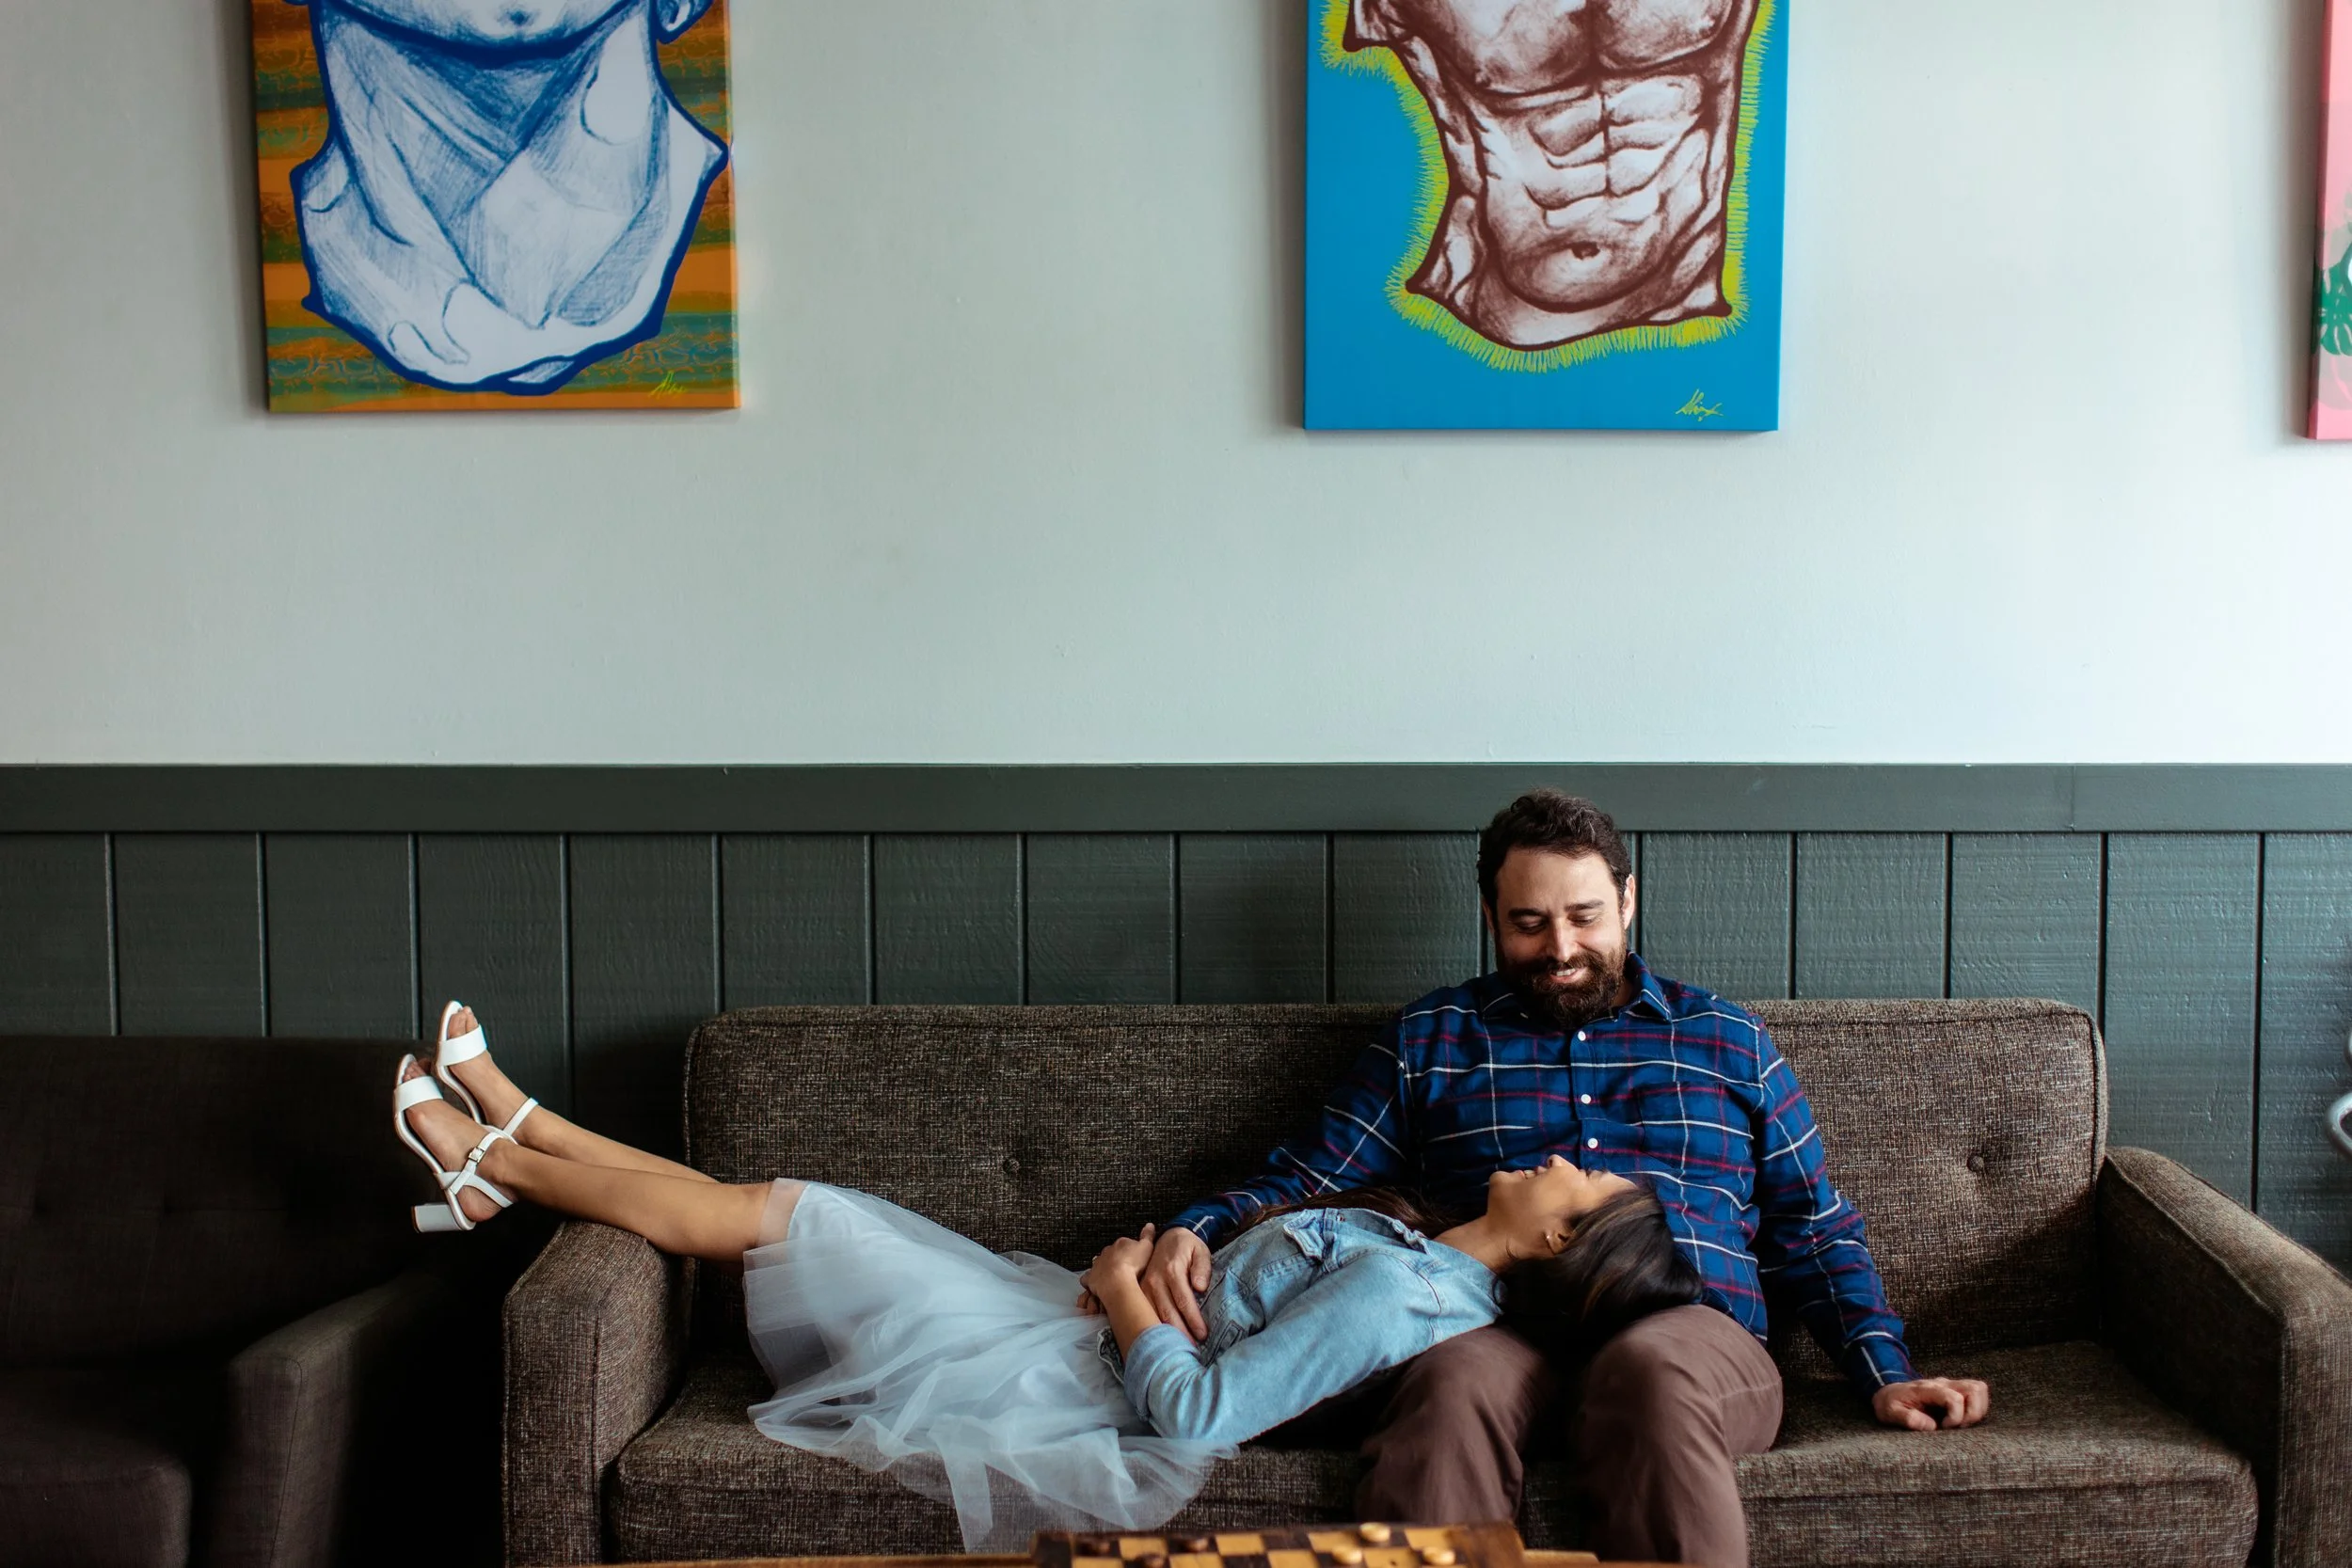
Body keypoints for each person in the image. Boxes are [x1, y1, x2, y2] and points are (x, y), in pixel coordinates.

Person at [391, 1003, 1702, 1550]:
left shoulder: (1406, 1298)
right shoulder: (1418, 1253)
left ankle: (490, 1152)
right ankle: (512, 1134)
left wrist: (1127, 1281)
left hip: (1062, 1374)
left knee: (785, 1213)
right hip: (1052, 1312)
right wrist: (1141, 1263)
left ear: (1555, 1242)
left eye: (1584, 1187)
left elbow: (1202, 1413)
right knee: (777, 1206)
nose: (1570, 1157)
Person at [1125, 791, 1991, 1568]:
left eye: (1584, 916)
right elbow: (1313, 1174)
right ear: (1491, 916)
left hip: (1686, 1326)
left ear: (1627, 900)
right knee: (1449, 1388)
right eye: (1529, 922)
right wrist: (1197, 1227)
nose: (1561, 947)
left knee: (1650, 1376)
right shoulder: (1432, 1038)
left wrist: (1882, 1370)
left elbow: (1812, 1226)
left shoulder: (1728, 1040)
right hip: (1489, 1319)